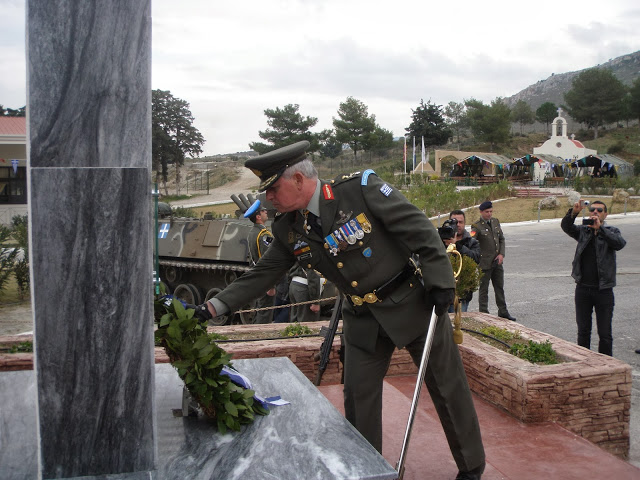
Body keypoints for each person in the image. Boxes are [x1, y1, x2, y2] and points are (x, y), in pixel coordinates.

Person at [191, 141, 485, 479]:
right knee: (359, 400)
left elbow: (418, 228)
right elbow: (262, 275)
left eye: (273, 188)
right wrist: (211, 307)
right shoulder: (288, 228)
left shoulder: (360, 191)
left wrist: (441, 283)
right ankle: (366, 469)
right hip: (362, 319)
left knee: (447, 387)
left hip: (410, 304)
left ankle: (472, 465)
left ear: (298, 179)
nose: (268, 198)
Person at [561, 200, 626, 356]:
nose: (595, 212)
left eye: (599, 210)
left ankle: (606, 366)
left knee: (604, 333)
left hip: (603, 290)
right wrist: (574, 212)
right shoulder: (584, 231)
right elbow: (566, 227)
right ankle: (584, 363)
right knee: (583, 331)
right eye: (592, 209)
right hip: (583, 289)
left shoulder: (611, 231)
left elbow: (619, 243)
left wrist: (600, 229)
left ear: (605, 214)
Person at [471, 201, 516, 321]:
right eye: (487, 212)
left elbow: (501, 239)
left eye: (491, 211)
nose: (489, 214)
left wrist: (501, 254)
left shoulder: (495, 222)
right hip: (485, 263)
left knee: (499, 288)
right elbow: (472, 242)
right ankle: (484, 314)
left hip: (497, 262)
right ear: (481, 212)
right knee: (484, 290)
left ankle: (503, 311)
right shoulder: (476, 226)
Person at [444, 209, 481, 312]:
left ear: (465, 224)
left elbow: (476, 258)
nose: (458, 225)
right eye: (455, 222)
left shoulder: (471, 242)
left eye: (460, 222)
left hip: (461, 294)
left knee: (457, 324)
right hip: (443, 292)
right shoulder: (441, 240)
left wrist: (457, 245)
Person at [245, 201, 276, 324]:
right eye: (263, 211)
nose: (266, 212)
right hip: (264, 280)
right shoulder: (263, 234)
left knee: (260, 309)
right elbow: (268, 259)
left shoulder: (253, 232)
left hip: (257, 277)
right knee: (265, 312)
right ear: (258, 216)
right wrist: (271, 285)